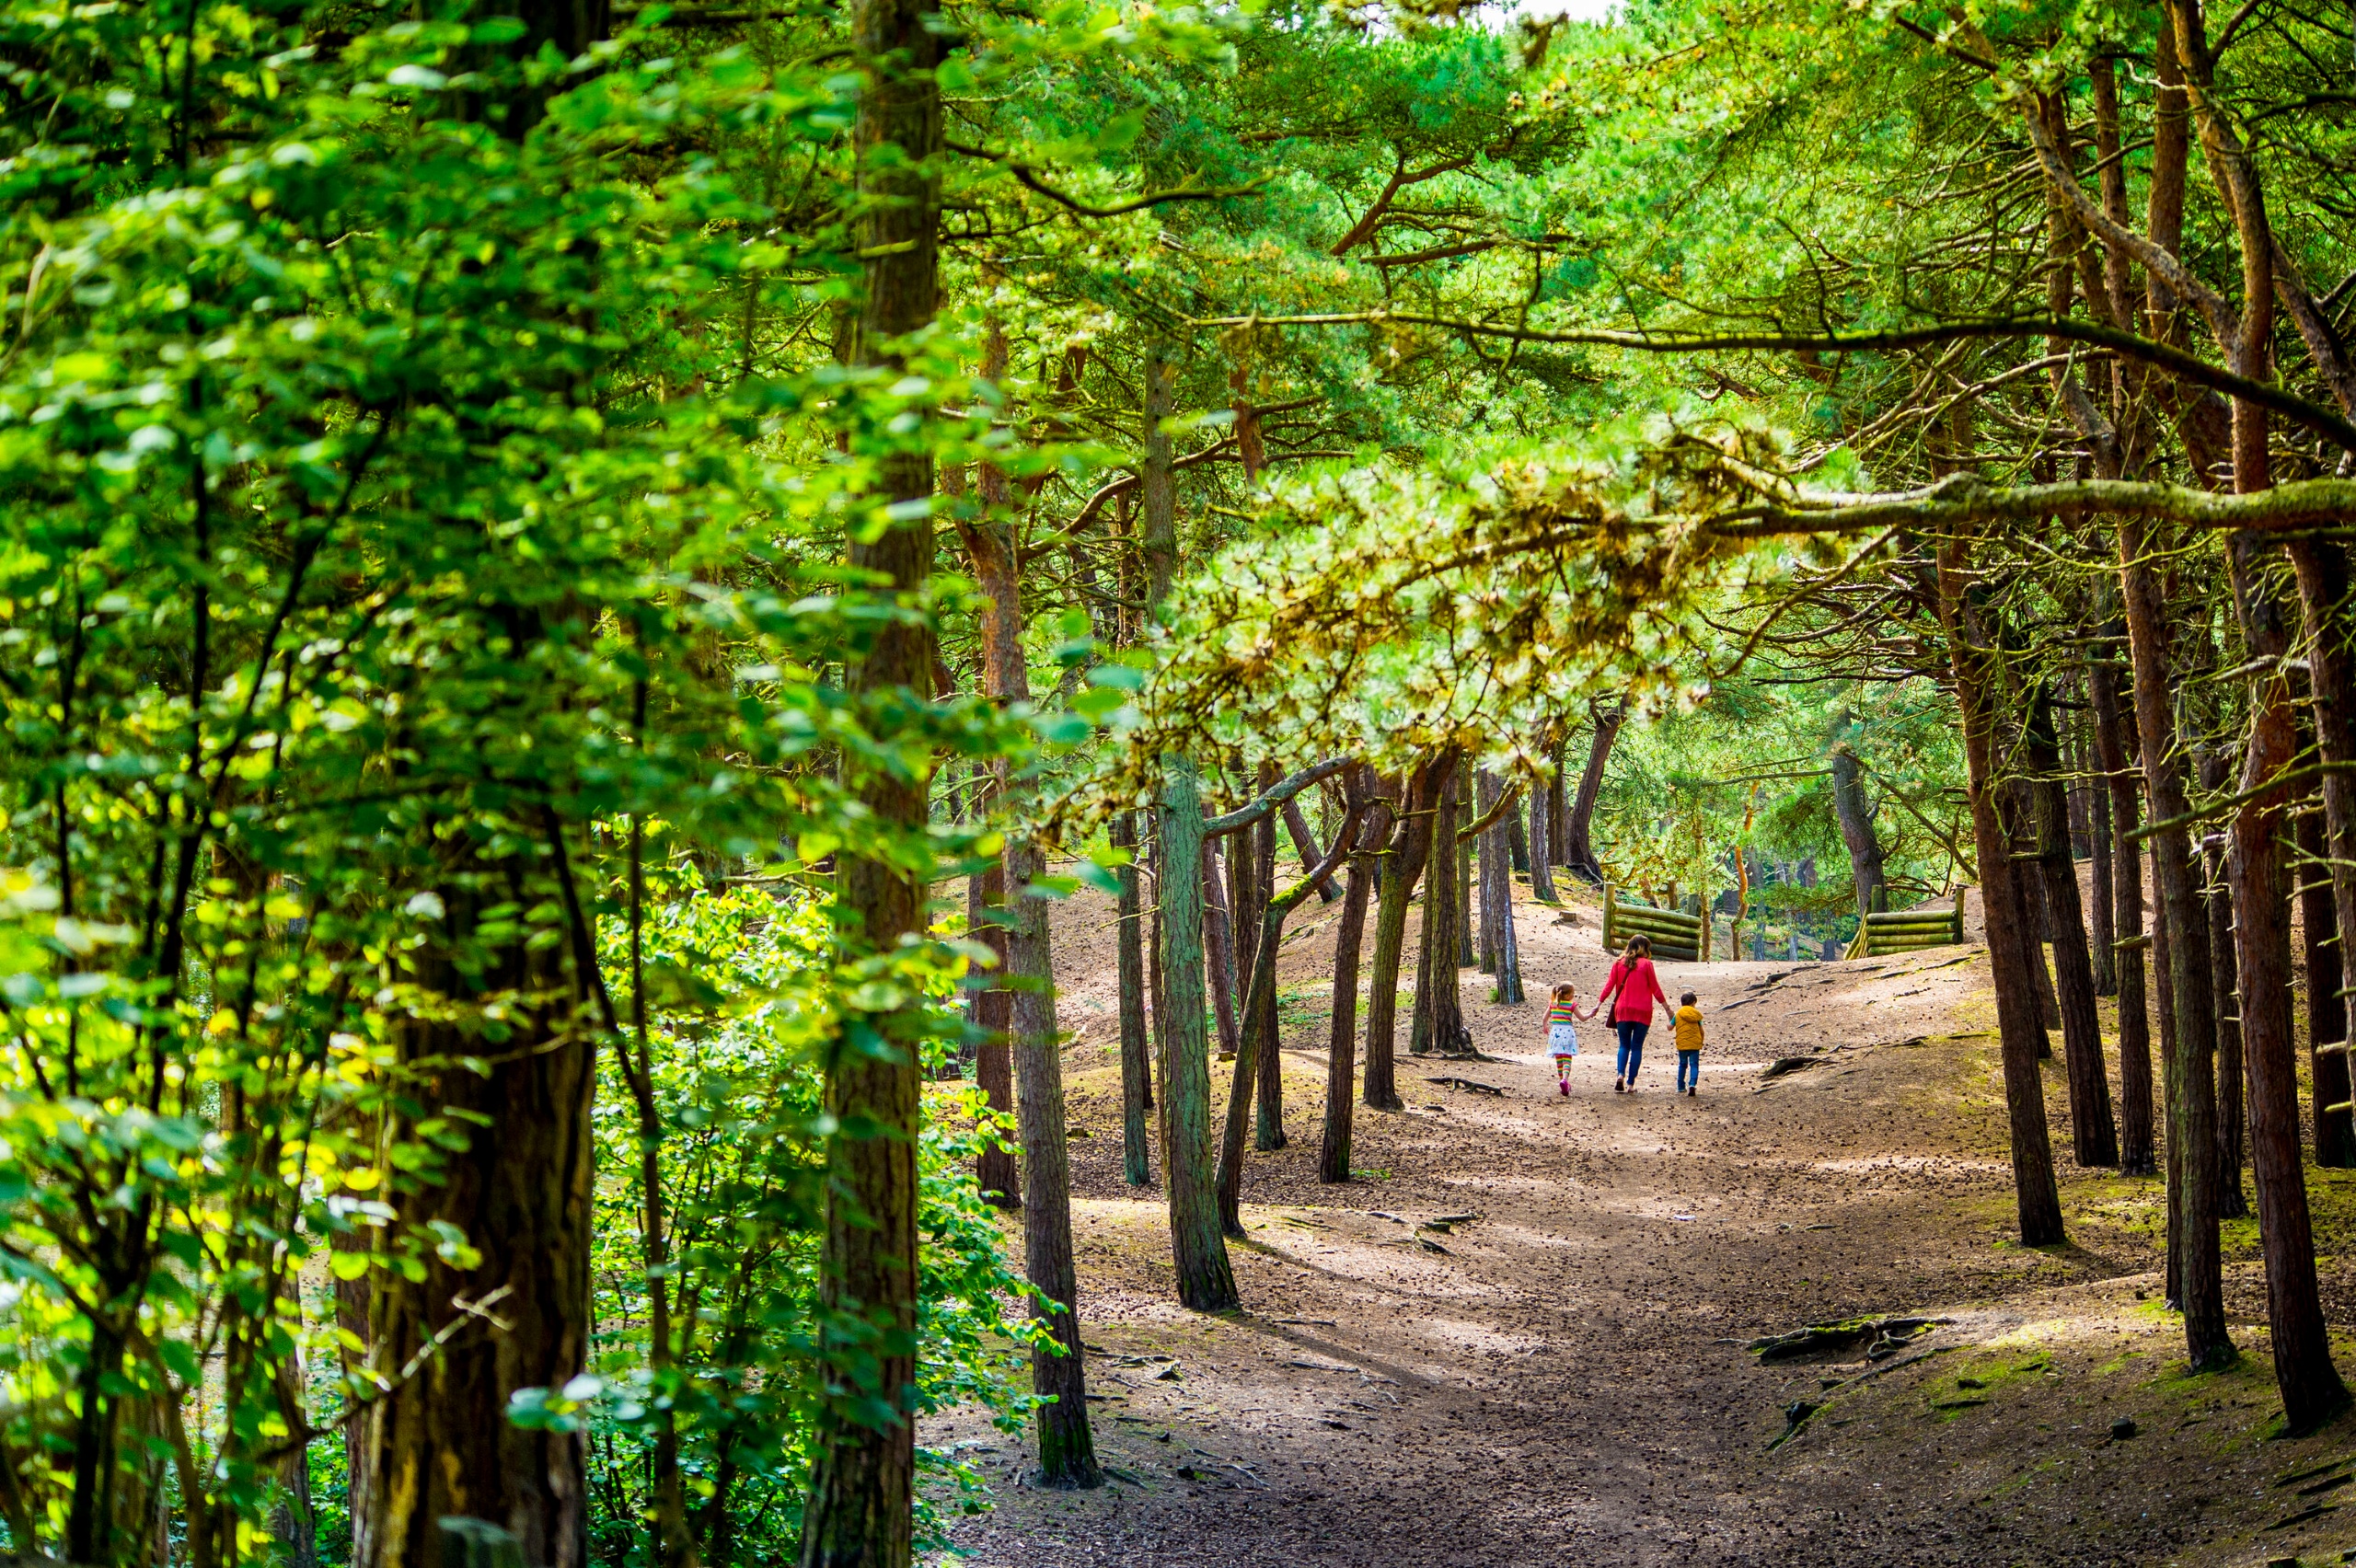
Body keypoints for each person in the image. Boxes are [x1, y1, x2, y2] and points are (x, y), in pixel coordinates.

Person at [1597, 934, 1672, 1092]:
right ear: (1642, 948)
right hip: (1642, 1011)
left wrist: (1599, 1004)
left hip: (1622, 1010)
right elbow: (1655, 988)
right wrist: (1667, 1009)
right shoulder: (1647, 964)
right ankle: (1630, 1084)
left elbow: (1609, 986)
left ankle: (1620, 1075)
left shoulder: (1618, 963)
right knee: (1636, 1047)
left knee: (1624, 1045)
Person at [1542, 983, 1596, 1096]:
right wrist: (1591, 1014)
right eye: (1573, 993)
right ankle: (1565, 1080)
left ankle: (1562, 1081)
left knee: (1559, 1060)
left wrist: (1545, 1026)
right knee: (1567, 1059)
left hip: (1555, 1033)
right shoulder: (1572, 1005)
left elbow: (1544, 1017)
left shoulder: (1553, 1004)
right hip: (1567, 1033)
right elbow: (1582, 1018)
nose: (1574, 995)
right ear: (1567, 995)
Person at [1673, 991, 1704, 1096]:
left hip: (1682, 1045)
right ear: (1693, 1003)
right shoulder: (1696, 1015)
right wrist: (1701, 1041)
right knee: (1694, 1065)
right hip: (1694, 1045)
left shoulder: (1678, 1014)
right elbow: (1702, 1031)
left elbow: (1669, 1027)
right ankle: (1692, 1084)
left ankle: (1681, 1086)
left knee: (1682, 1065)